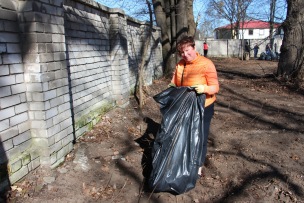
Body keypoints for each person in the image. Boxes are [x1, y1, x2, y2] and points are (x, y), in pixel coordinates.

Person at [169, 36, 219, 177]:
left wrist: (204, 88)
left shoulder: (206, 64)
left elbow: (215, 87)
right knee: (186, 135)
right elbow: (175, 82)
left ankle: (198, 165)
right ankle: (186, 161)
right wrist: (171, 89)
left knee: (200, 136)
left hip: (204, 106)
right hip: (186, 106)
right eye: (182, 52)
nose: (185, 54)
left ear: (194, 48)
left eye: (187, 50)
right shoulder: (180, 65)